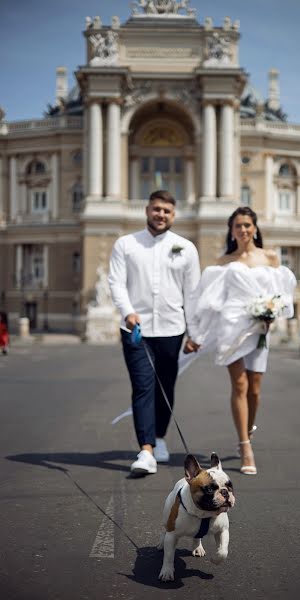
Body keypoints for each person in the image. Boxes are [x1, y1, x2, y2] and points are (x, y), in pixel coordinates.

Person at [185, 207, 296, 475]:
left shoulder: (269, 257)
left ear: (255, 228)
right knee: (240, 384)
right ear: (232, 231)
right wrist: (197, 334)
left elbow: (281, 292)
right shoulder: (223, 261)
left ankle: (248, 429)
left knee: (255, 389)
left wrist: (273, 312)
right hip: (231, 326)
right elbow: (209, 299)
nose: (243, 230)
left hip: (259, 327)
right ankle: (245, 445)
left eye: (247, 225)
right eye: (238, 226)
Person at [108, 190, 201, 476]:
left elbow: (193, 293)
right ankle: (146, 450)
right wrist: (127, 312)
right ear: (147, 210)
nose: (161, 214)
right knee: (143, 386)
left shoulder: (186, 248)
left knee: (166, 387)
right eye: (157, 209)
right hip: (136, 329)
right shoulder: (126, 244)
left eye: (167, 211)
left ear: (174, 215)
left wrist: (194, 333)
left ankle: (159, 437)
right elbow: (116, 283)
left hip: (172, 329)